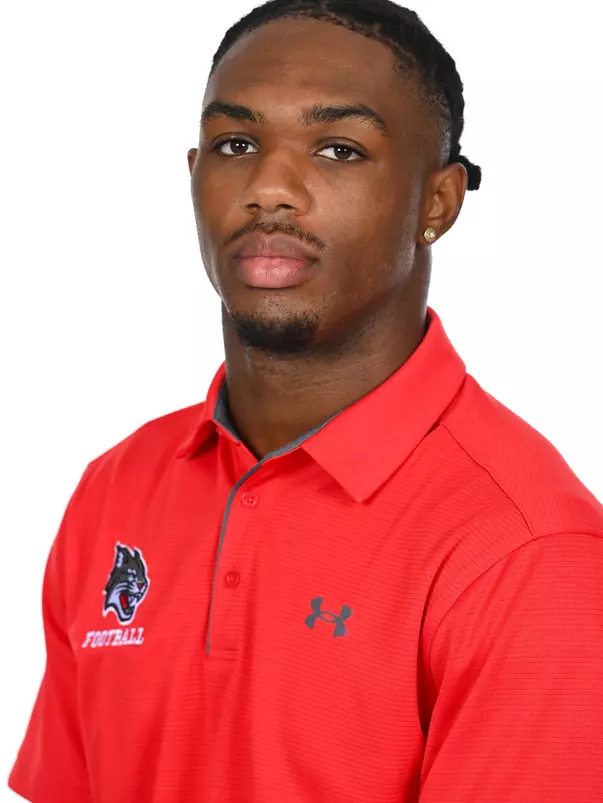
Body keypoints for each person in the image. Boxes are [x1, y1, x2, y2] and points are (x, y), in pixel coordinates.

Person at [8, 0, 603, 801]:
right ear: (194, 174)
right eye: (237, 144)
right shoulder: (116, 490)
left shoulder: (528, 549)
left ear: (438, 201)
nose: (269, 189)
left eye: (338, 149)